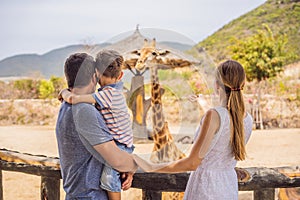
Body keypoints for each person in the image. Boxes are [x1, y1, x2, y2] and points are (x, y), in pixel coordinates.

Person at [133, 60, 253, 200]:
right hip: (228, 186)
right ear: (243, 84)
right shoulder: (247, 119)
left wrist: (151, 167)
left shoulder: (214, 115)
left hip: (206, 189)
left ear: (216, 85)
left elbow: (192, 163)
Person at [56, 52, 137, 200]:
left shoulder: (65, 106)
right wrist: (131, 166)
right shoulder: (85, 111)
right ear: (94, 76)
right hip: (90, 195)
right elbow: (117, 159)